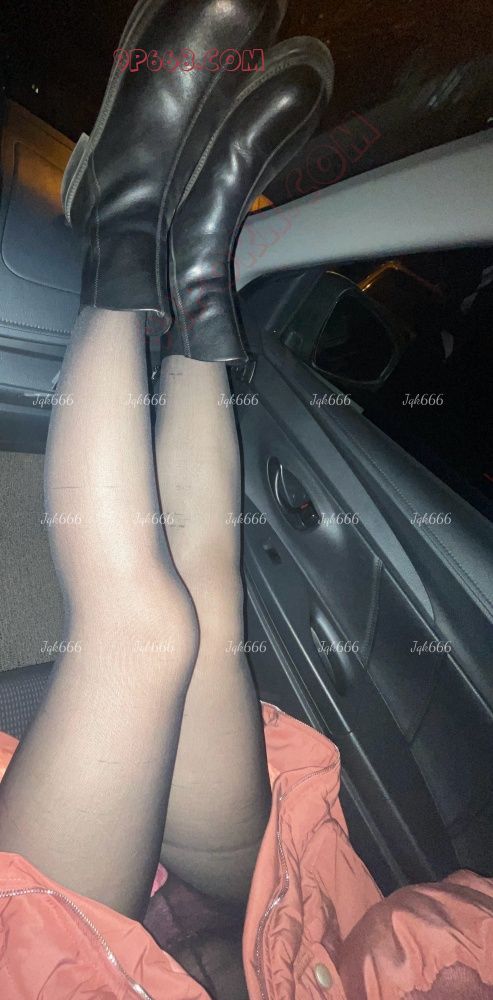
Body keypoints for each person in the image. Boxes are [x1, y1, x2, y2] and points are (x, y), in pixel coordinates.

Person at [0, 1, 492, 997]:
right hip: (291, 939)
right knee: (213, 604)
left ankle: (122, 223)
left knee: (148, 630)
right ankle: (198, 263)